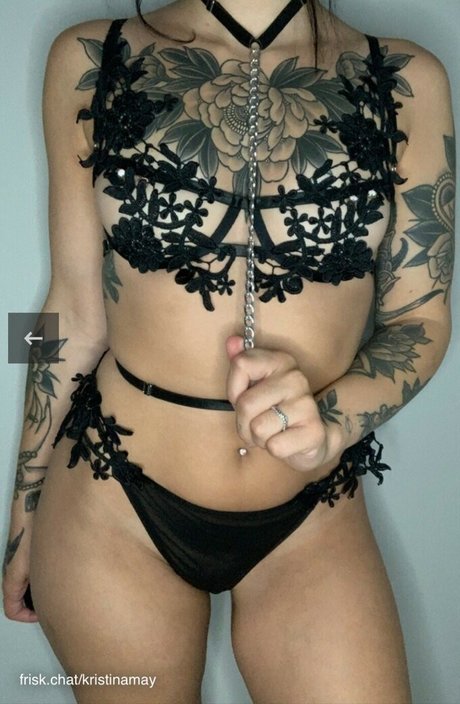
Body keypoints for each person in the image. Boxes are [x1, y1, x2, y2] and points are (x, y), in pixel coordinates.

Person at [2, 0, 455, 701]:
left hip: (311, 511)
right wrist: (22, 513)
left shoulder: (406, 80)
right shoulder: (90, 57)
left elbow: (423, 319)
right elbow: (60, 310)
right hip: (109, 506)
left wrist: (334, 419)